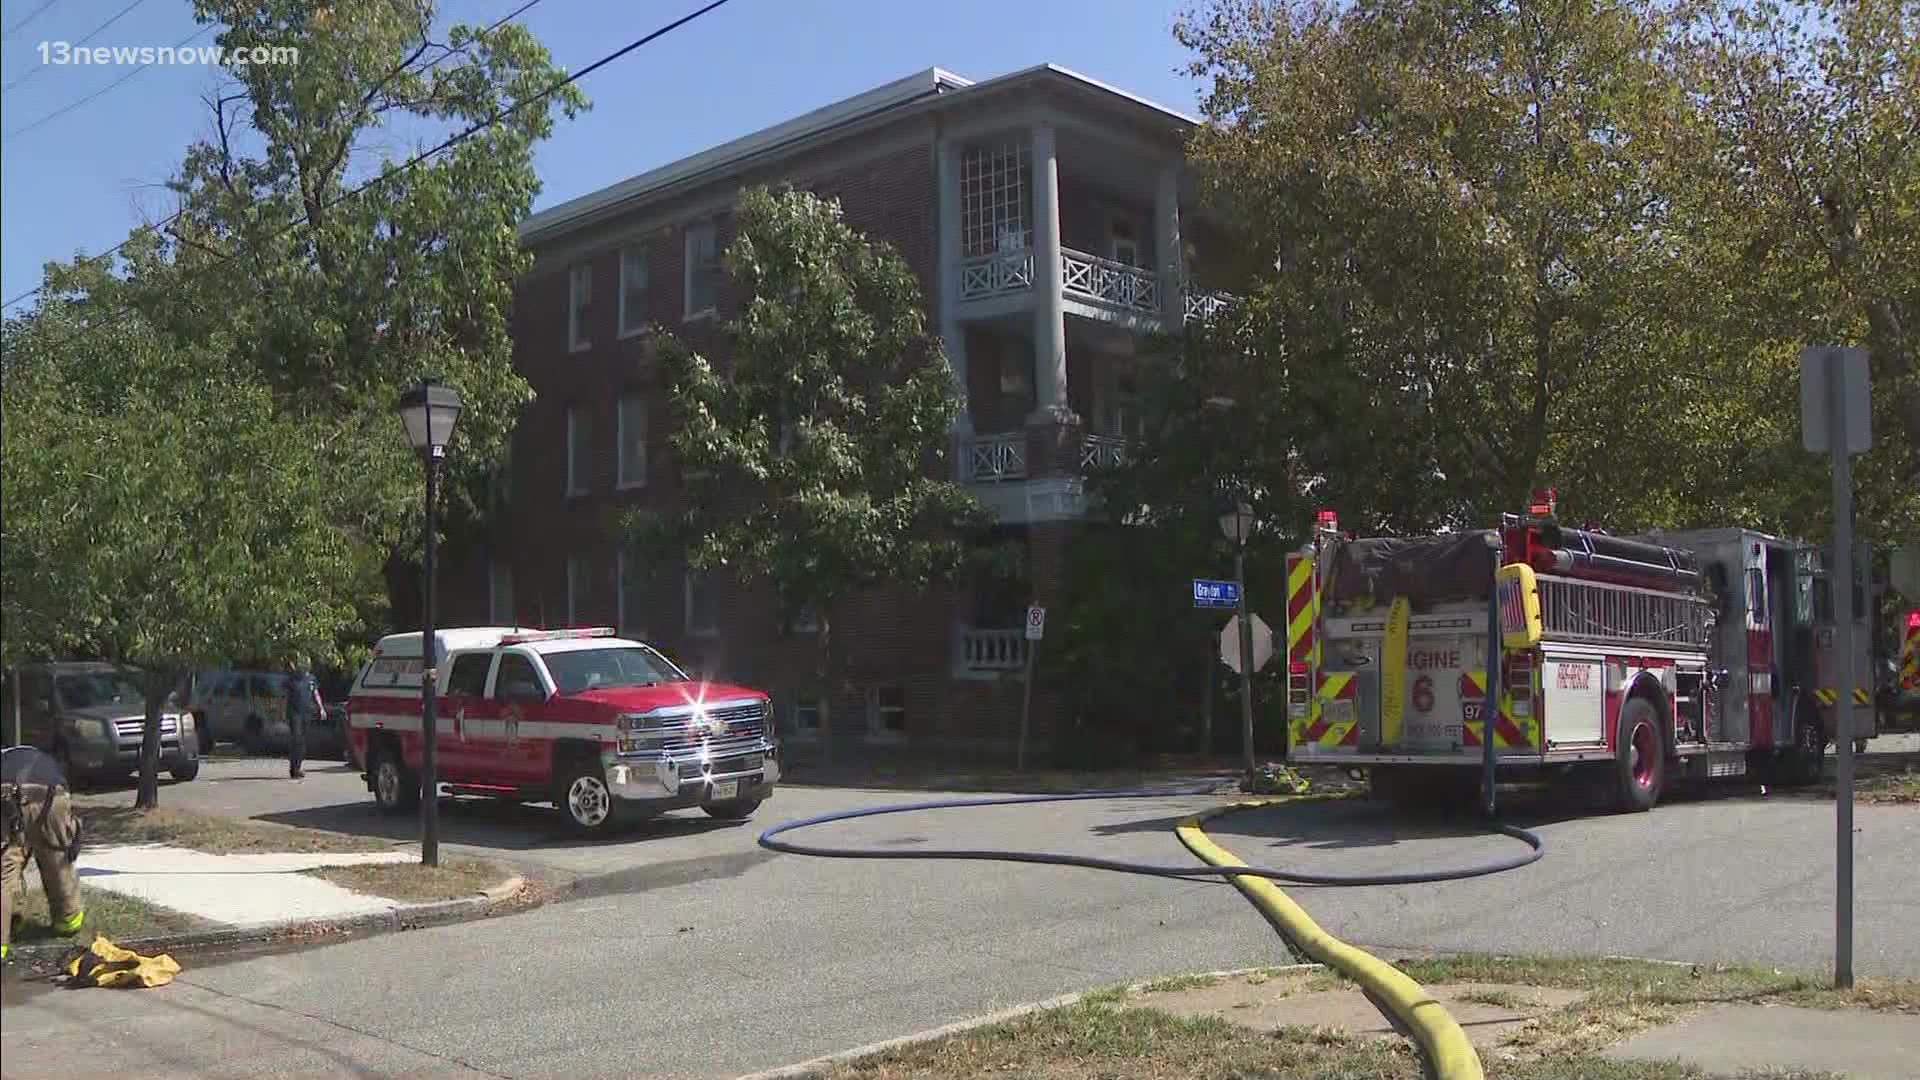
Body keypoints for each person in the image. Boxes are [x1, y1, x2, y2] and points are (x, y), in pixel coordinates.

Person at [2, 744, 84, 961]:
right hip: (52, 796)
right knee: (57, 859)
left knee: (4, 872)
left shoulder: (5, 761)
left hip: (6, 798)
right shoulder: (45, 760)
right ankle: (68, 922)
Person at [285, 670, 315, 780]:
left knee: (302, 741)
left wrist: (321, 708)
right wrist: (280, 712)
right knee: (296, 739)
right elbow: (284, 696)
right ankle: (294, 768)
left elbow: (315, 693)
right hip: (294, 713)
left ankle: (297, 767)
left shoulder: (311, 678)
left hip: (307, 712)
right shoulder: (291, 679)